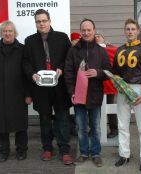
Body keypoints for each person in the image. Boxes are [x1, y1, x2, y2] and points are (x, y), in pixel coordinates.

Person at [23, 9, 73, 165]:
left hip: (59, 86)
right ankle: (47, 148)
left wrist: (62, 68)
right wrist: (31, 73)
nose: (41, 23)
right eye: (38, 21)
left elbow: (69, 57)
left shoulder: (62, 37)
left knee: (63, 118)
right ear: (35, 23)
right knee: (44, 119)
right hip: (40, 87)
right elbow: (25, 62)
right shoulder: (29, 40)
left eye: (44, 20)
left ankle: (64, 150)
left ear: (50, 21)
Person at [64, 18, 111, 167]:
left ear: (94, 31)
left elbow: (109, 72)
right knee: (81, 127)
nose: (86, 32)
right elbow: (68, 73)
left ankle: (96, 153)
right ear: (80, 32)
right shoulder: (73, 51)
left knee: (96, 127)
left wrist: (98, 73)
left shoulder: (101, 51)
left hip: (95, 95)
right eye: (83, 30)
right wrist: (71, 92)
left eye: (89, 30)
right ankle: (84, 152)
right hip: (78, 97)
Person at [0, 20, 32, 162]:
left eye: (10, 31)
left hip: (19, 94)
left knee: (21, 124)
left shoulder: (23, 49)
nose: (7, 33)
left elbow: (27, 74)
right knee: (2, 125)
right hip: (0, 95)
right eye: (5, 31)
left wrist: (29, 94)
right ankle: (4, 151)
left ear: (14, 33)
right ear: (1, 33)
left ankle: (21, 150)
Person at [112, 19, 141, 171]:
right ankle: (124, 154)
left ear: (138, 31)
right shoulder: (119, 50)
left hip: (138, 89)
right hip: (123, 89)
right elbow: (115, 71)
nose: (130, 31)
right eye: (127, 29)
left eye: (132, 29)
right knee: (122, 124)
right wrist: (116, 82)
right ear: (124, 31)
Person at [94, 31, 118, 138]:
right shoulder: (92, 49)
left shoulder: (112, 49)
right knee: (96, 108)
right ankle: (98, 129)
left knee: (110, 107)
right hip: (97, 82)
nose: (97, 38)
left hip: (109, 83)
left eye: (99, 36)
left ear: (103, 38)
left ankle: (114, 129)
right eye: (95, 36)